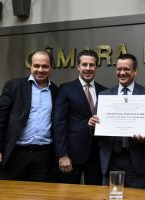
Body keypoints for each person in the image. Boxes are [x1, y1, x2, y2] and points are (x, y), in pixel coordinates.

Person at [88, 53, 145, 189]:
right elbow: (97, 128)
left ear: (135, 71)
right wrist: (92, 125)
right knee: (112, 197)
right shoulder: (105, 96)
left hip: (137, 161)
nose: (122, 73)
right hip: (111, 160)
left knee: (138, 199)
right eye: (119, 69)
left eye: (126, 69)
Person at [0, 50, 58, 182]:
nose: (40, 70)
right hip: (15, 154)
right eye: (36, 66)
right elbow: (0, 119)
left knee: (40, 195)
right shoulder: (14, 86)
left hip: (44, 157)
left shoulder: (56, 91)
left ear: (51, 68)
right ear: (30, 67)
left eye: (45, 66)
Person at [53, 49, 107, 185]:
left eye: (91, 65)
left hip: (97, 155)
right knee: (68, 195)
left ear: (96, 67)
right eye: (84, 65)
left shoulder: (105, 91)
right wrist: (62, 154)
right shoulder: (65, 89)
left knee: (95, 194)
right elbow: (59, 124)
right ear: (78, 67)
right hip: (71, 155)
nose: (88, 68)